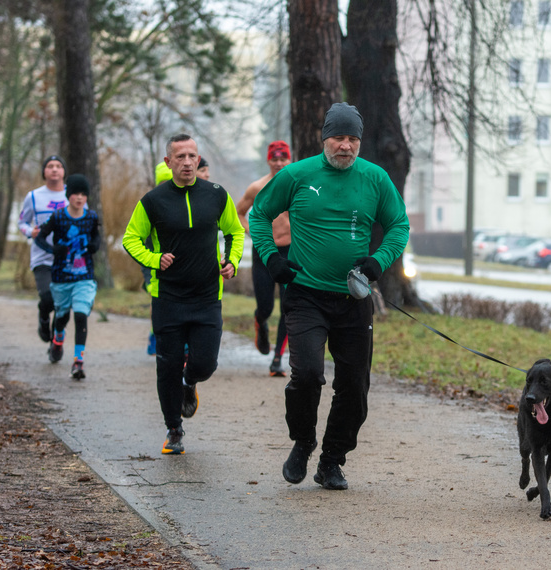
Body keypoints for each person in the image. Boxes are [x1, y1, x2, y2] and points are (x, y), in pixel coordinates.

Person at [249, 103, 410, 490]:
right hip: (306, 295)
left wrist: (378, 262)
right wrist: (272, 260)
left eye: (353, 138)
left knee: (355, 386)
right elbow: (258, 214)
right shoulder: (297, 175)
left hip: (353, 299)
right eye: (338, 137)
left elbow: (398, 225)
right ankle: (303, 442)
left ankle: (332, 460)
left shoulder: (375, 178)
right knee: (306, 375)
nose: (346, 146)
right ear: (325, 139)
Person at [122, 134, 245, 455]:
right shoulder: (153, 200)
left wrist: (231, 262)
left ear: (198, 159)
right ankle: (173, 429)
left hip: (207, 297)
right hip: (169, 298)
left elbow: (235, 231)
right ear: (168, 162)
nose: (188, 162)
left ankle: (190, 384)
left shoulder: (217, 195)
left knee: (205, 364)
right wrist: (153, 259)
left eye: (192, 156)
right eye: (181, 157)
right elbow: (131, 238)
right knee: (167, 365)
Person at [34, 174, 101, 380]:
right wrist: (54, 250)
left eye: (83, 194)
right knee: (62, 317)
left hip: (84, 277)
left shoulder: (91, 217)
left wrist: (94, 246)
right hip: (61, 278)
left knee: (81, 314)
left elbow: (96, 238)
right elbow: (40, 238)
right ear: (68, 195)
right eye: (75, 194)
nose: (79, 198)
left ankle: (78, 362)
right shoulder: (58, 217)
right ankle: (58, 340)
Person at [236, 140, 292, 376]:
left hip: (291, 251)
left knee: (289, 307)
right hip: (264, 252)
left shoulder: (297, 184)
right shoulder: (257, 187)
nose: (279, 163)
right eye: (274, 159)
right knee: (266, 305)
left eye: (283, 159)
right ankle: (261, 320)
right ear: (268, 160)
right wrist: (253, 232)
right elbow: (239, 213)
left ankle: (278, 358)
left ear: (289, 160)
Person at [18, 156, 68, 343]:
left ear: (64, 171)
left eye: (58, 166)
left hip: (67, 258)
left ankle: (56, 339)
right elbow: (21, 222)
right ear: (44, 172)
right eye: (49, 166)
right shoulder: (33, 197)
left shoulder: (72, 195)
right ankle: (44, 318)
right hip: (42, 257)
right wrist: (30, 231)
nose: (54, 169)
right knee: (47, 298)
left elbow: (84, 219)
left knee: (62, 304)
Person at [144, 162, 174, 356]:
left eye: (168, 182)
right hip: (152, 265)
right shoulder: (150, 205)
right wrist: (148, 266)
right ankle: (155, 334)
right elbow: (141, 243)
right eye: (162, 182)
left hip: (178, 267)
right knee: (158, 304)